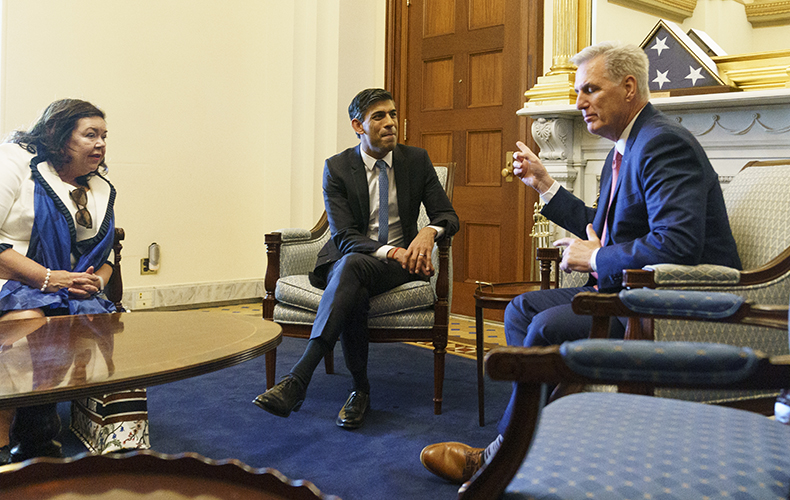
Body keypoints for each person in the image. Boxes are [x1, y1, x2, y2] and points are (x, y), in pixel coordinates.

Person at [419, 41, 742, 484]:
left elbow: (679, 244)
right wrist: (546, 185)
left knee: (546, 327)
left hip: (669, 305)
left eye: (590, 89)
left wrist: (599, 257)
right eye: (577, 92)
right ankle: (543, 439)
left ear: (629, 87)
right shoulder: (623, 148)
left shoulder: (663, 144)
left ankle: (502, 457)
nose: (579, 102)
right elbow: (606, 227)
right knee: (522, 309)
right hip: (627, 292)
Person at [253, 88, 459, 429]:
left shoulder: (416, 161)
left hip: (396, 268)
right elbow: (345, 236)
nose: (390, 122)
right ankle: (359, 390)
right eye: (379, 116)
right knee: (354, 278)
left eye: (393, 114)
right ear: (358, 126)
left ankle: (299, 379)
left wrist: (429, 232)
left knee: (354, 272)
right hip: (349, 258)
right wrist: (392, 249)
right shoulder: (337, 168)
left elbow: (448, 216)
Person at [0, 99, 148, 463]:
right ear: (60, 137)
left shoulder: (99, 188)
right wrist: (47, 278)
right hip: (9, 276)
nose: (100, 144)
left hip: (63, 287)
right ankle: (14, 438)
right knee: (31, 327)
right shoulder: (17, 162)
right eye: (90, 135)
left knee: (104, 327)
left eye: (104, 136)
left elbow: (107, 259)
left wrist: (96, 282)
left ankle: (69, 437)